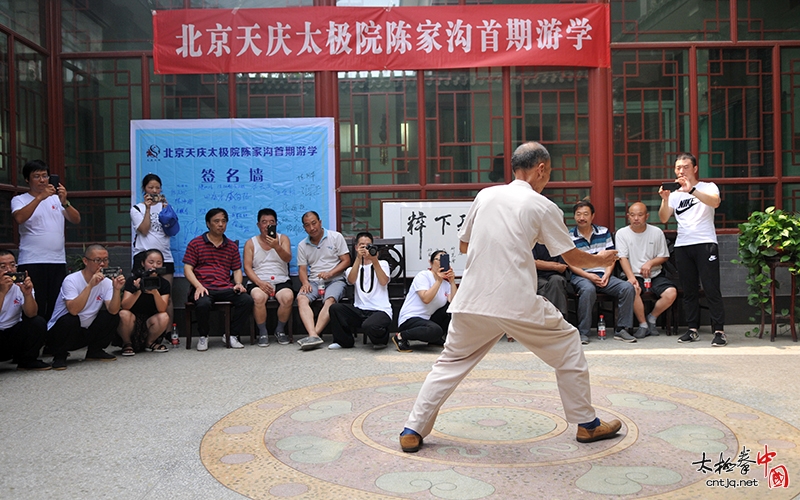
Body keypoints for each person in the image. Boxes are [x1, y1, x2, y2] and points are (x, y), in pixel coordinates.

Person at [399, 141, 623, 454]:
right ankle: (587, 425)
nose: (548, 180)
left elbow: (464, 246)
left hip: (472, 301)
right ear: (541, 169)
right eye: (549, 174)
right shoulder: (542, 205)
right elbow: (571, 257)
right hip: (516, 301)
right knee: (570, 345)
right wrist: (601, 259)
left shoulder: (486, 194)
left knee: (448, 364)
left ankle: (412, 429)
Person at [658, 153, 726, 346]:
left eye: (685, 167)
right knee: (689, 290)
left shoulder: (707, 187)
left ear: (695, 168)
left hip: (705, 243)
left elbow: (715, 202)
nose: (681, 171)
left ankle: (719, 330)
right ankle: (692, 329)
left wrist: (692, 190)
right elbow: (664, 218)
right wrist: (665, 199)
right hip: (683, 245)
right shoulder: (675, 194)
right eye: (678, 167)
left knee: (711, 287)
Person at [11, 159, 81, 322]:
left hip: (56, 260)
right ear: (27, 179)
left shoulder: (56, 199)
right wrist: (40, 198)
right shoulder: (20, 199)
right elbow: (20, 217)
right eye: (37, 176)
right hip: (32, 260)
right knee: (36, 303)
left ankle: (52, 343)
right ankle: (35, 343)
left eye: (45, 176)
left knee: (56, 303)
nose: (42, 180)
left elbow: (76, 219)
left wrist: (65, 202)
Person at [183, 208, 253, 351]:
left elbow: (236, 269)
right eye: (216, 221)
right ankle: (203, 336)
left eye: (223, 221)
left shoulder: (231, 246)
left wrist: (238, 283)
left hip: (224, 287)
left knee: (247, 300)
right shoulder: (195, 244)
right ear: (208, 224)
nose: (220, 224)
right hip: (203, 287)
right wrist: (198, 286)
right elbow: (187, 269)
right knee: (202, 304)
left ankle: (232, 334)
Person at [46, 244, 125, 370]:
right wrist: (90, 286)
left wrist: (116, 290)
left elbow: (113, 310)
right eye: (97, 260)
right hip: (60, 332)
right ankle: (59, 356)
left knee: (111, 316)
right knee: (71, 319)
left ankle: (95, 350)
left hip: (85, 330)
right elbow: (73, 310)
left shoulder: (108, 282)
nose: (102, 264)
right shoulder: (71, 280)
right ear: (85, 261)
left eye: (105, 260)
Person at [568, 201, 636, 344]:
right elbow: (570, 263)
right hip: (582, 276)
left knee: (627, 288)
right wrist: (588, 276)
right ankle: (584, 332)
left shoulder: (603, 232)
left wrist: (606, 274)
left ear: (593, 216)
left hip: (603, 274)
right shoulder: (569, 236)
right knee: (588, 289)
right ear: (574, 217)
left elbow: (611, 258)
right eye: (578, 214)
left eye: (586, 214)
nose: (582, 217)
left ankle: (622, 329)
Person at [616, 202, 677, 339]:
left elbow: (664, 255)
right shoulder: (622, 233)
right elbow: (622, 258)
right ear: (628, 217)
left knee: (671, 293)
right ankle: (643, 325)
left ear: (647, 216)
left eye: (640, 215)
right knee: (633, 289)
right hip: (635, 274)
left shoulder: (656, 232)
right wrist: (630, 277)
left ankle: (652, 318)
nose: (636, 218)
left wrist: (650, 263)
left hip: (655, 274)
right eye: (632, 215)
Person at [295, 211, 350, 351]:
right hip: (314, 281)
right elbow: (302, 269)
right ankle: (313, 335)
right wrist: (305, 283)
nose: (312, 228)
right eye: (307, 225)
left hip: (335, 279)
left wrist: (331, 273)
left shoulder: (336, 237)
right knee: (301, 298)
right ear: (304, 228)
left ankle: (314, 335)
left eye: (314, 223)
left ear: (320, 222)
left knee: (330, 300)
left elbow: (346, 261)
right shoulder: (302, 245)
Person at [328, 232, 392, 350]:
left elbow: (383, 281)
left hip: (380, 310)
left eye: (368, 245)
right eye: (362, 245)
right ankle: (344, 341)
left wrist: (374, 260)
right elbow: (351, 280)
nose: (365, 248)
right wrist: (358, 258)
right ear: (356, 248)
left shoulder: (383, 264)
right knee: (335, 308)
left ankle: (381, 339)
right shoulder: (352, 269)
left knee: (369, 325)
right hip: (360, 309)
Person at [243, 208, 294, 347]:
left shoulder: (283, 239)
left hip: (281, 279)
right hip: (258, 280)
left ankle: (280, 330)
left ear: (276, 224)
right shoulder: (250, 243)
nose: (267, 225)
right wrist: (259, 283)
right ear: (258, 224)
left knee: (288, 297)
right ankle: (263, 332)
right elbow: (247, 267)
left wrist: (276, 246)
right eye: (264, 222)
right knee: (258, 298)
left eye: (271, 222)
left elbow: (288, 258)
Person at [131, 173, 176, 327]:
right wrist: (148, 209)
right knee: (141, 293)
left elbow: (172, 230)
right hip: (143, 257)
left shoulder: (166, 207)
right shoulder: (137, 208)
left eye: (157, 187)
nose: (154, 190)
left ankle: (168, 332)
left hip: (165, 257)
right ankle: (140, 330)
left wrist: (167, 212)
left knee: (166, 296)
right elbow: (143, 230)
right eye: (151, 187)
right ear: (144, 189)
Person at [392, 250, 457, 353]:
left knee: (449, 311)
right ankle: (401, 336)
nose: (441, 262)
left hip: (428, 318)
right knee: (435, 330)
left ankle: (435, 339)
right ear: (430, 262)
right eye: (438, 259)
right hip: (411, 318)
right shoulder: (423, 275)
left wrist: (452, 281)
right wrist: (438, 281)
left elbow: (454, 304)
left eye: (444, 260)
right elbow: (426, 299)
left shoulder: (446, 284)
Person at [0, 250, 50, 370]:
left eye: (12, 265)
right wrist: (2, 292)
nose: (9, 270)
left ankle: (27, 360)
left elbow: (31, 313)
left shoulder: (20, 284)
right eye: (3, 267)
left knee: (37, 322)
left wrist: (27, 294)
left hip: (12, 332)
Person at [118, 249, 171, 356]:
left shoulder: (164, 283)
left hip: (150, 320)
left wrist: (155, 291)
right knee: (123, 314)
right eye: (151, 262)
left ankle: (150, 343)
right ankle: (127, 343)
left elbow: (162, 309)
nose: (154, 266)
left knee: (164, 316)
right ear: (143, 263)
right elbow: (125, 306)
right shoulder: (133, 280)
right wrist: (138, 290)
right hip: (132, 320)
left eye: (158, 263)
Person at [533, 243, 570, 318]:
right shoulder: (533, 242)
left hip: (556, 276)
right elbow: (533, 263)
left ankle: (554, 317)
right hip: (537, 276)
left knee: (556, 281)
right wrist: (554, 266)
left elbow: (562, 267)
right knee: (544, 285)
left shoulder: (558, 242)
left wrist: (542, 263)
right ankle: (556, 317)